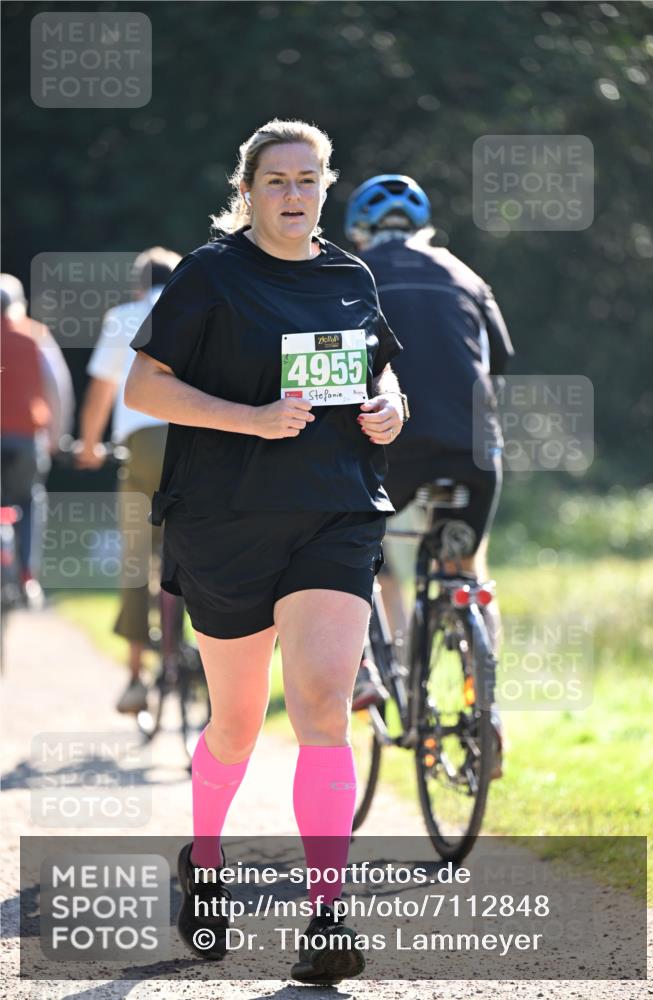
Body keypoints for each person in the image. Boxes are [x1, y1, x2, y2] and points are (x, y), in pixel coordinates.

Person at [124, 120, 406, 984]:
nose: (293, 193)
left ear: (327, 187)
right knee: (239, 728)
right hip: (227, 518)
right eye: (276, 179)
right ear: (246, 189)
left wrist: (390, 407)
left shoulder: (349, 274)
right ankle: (203, 861)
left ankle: (326, 917)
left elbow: (380, 369)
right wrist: (249, 419)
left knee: (322, 708)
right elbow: (145, 386)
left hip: (334, 509)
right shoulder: (211, 275)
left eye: (308, 178)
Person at [345, 175, 515, 771]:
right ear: (424, 229)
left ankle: (364, 670)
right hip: (475, 447)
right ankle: (487, 706)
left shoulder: (351, 272)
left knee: (346, 545)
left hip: (398, 439)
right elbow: (498, 361)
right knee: (466, 566)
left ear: (360, 231)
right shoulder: (465, 273)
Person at [77, 247, 181, 713]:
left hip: (142, 447)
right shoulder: (194, 309)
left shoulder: (124, 316)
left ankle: (137, 676)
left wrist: (88, 445)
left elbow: (103, 388)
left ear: (139, 285)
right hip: (196, 445)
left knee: (137, 558)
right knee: (200, 551)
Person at [1, 273, 75, 605]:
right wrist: (56, 437)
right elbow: (57, 389)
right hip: (25, 438)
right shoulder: (35, 336)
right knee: (29, 498)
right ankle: (28, 575)